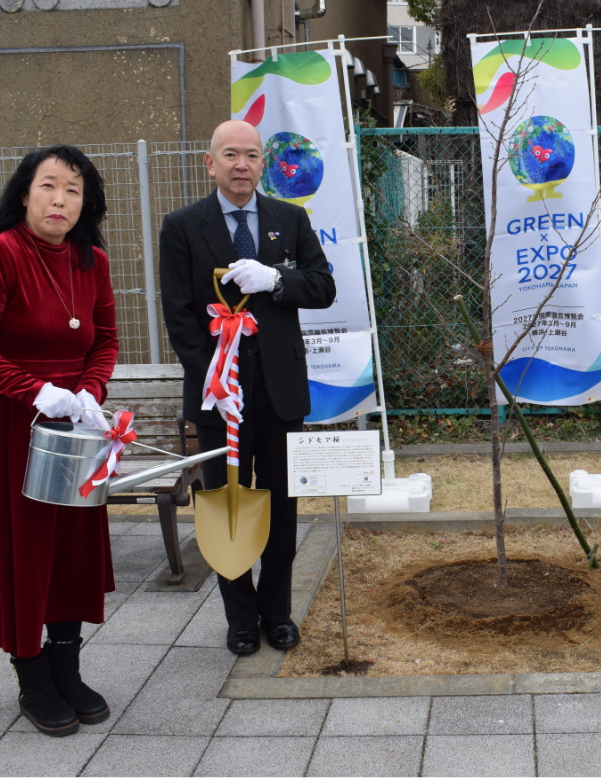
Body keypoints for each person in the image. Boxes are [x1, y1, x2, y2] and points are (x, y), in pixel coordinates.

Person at [0, 146, 117, 737]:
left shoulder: (90, 260)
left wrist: (90, 390)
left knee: (70, 546)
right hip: (4, 422)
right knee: (19, 547)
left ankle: (68, 669)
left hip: (73, 423)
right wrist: (36, 391)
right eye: (50, 186)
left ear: (84, 203)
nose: (60, 200)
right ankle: (34, 677)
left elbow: (105, 340)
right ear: (24, 193)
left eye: (74, 190)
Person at [160, 120, 336, 657]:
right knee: (225, 502)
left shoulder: (290, 218)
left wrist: (276, 280)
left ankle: (276, 614)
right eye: (230, 154)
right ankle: (239, 619)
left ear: (264, 165)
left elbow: (323, 287)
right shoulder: (184, 226)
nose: (242, 164)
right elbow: (179, 314)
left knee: (282, 503)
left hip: (279, 391)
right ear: (210, 164)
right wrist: (214, 376)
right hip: (222, 396)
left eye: (252, 155)